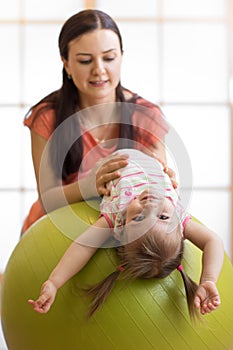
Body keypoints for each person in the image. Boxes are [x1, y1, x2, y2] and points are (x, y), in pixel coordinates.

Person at [22, 9, 175, 234]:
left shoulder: (145, 115)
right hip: (51, 232)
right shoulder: (47, 116)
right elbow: (47, 198)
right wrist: (88, 186)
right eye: (85, 61)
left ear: (121, 57)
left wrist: (164, 182)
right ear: (66, 63)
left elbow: (155, 198)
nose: (99, 70)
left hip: (121, 234)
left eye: (109, 58)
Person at [28, 149, 224, 321]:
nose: (150, 205)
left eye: (139, 218)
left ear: (121, 231)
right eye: (163, 216)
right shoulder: (178, 215)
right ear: (181, 231)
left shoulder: (115, 216)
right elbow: (212, 240)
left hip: (106, 166)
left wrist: (55, 282)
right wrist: (208, 280)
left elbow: (84, 246)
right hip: (150, 156)